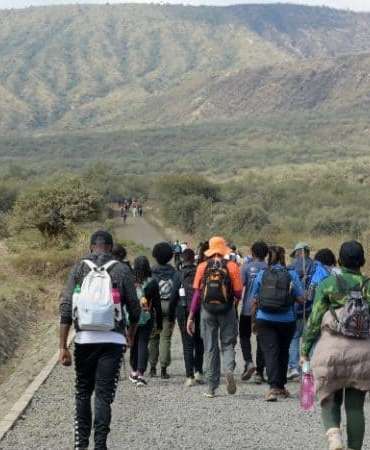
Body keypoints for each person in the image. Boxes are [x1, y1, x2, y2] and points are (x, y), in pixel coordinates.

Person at [59, 230, 140, 450]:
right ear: (111, 248)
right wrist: (130, 334)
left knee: (83, 392)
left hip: (84, 340)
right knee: (103, 395)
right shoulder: (122, 269)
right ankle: (100, 445)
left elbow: (66, 307)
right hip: (112, 340)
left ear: (91, 246)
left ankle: (80, 443)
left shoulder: (79, 268)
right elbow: (135, 308)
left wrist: (63, 346)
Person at [302, 241, 370, 450]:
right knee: (355, 407)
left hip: (331, 351)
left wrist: (305, 350)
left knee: (328, 395)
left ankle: (334, 436)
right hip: (363, 353)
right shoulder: (368, 285)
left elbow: (314, 321)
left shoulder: (328, 284)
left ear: (339, 261)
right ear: (363, 261)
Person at [186, 236, 242, 398]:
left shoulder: (202, 266)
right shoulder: (232, 266)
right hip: (227, 310)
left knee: (210, 347)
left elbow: (197, 294)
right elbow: (238, 292)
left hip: (207, 311)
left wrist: (191, 316)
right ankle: (229, 370)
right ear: (224, 249)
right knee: (227, 344)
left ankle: (211, 387)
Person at [251, 245, 304, 402]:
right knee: (283, 352)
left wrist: (253, 320)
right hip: (287, 320)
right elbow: (301, 299)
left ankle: (274, 387)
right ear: (284, 257)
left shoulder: (262, 274)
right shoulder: (292, 274)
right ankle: (279, 386)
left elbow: (254, 299)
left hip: (264, 319)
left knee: (270, 352)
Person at [288, 248, 338, 380]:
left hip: (307, 310)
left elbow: (310, 295)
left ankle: (297, 368)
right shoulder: (332, 272)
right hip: (327, 313)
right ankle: (315, 369)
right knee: (318, 341)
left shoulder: (316, 270)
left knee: (300, 338)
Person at [169, 248, 204, 387]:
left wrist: (171, 316)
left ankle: (189, 376)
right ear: (194, 259)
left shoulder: (178, 274)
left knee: (187, 343)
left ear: (182, 260)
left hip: (183, 311)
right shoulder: (200, 272)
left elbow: (173, 297)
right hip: (200, 310)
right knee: (199, 341)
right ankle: (199, 371)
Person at [129, 256, 163, 387]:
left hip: (132, 317)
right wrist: (159, 323)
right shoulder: (153, 282)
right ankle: (141, 373)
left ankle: (133, 371)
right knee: (143, 343)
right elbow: (157, 305)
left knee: (133, 342)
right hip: (147, 316)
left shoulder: (131, 281)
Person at [239, 241, 268, 384]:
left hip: (247, 309)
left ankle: (249, 362)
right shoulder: (269, 268)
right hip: (264, 310)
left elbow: (239, 289)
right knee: (261, 339)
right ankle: (260, 373)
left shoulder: (246, 268)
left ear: (252, 253)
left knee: (244, 336)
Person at [148, 242, 178, 379]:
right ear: (170, 256)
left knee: (153, 337)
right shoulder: (174, 272)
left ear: (155, 255)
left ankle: (152, 368)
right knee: (165, 338)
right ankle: (164, 369)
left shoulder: (152, 272)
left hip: (155, 307)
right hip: (170, 306)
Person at [286, 242, 315, 380]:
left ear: (298, 252)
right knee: (311, 339)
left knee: (295, 338)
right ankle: (310, 367)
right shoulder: (316, 266)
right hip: (312, 308)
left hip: (296, 308)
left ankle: (293, 368)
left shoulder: (291, 266)